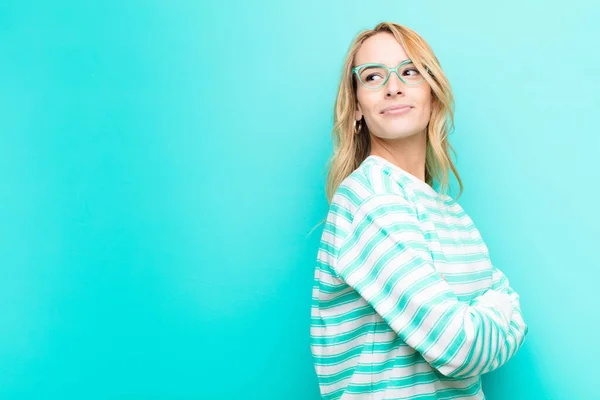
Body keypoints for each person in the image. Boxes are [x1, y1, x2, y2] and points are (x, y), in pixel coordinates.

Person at [309, 21, 529, 399]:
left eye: (409, 71)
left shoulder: (450, 213)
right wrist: (494, 312)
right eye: (373, 76)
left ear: (434, 94)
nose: (393, 86)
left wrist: (488, 319)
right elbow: (460, 346)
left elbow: (517, 322)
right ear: (357, 106)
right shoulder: (369, 198)